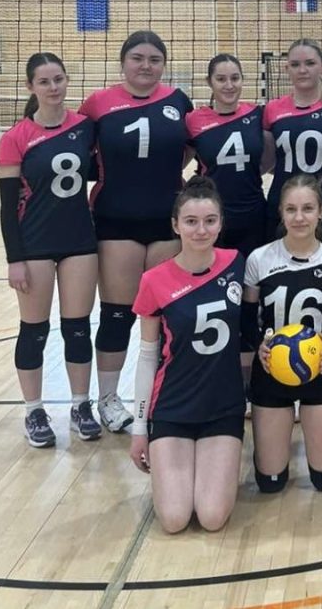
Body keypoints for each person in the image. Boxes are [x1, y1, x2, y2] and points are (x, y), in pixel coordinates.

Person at [79, 31, 193, 432]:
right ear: (123, 62)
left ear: (164, 64)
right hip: (115, 221)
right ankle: (109, 400)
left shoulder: (178, 100)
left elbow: (191, 147)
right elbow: (76, 150)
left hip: (167, 221)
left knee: (164, 317)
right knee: (117, 314)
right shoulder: (98, 103)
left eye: (154, 59)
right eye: (138, 58)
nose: (146, 66)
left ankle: (160, 397)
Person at [0, 52, 101, 447]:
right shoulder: (16, 138)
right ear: (31, 87)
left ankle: (80, 405)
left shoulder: (85, 128)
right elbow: (7, 207)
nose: (53, 87)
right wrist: (14, 259)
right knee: (34, 330)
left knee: (78, 328)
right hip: (35, 244)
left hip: (79, 241)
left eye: (58, 79)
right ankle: (34, 410)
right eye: (44, 81)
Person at [129, 177, 245, 533]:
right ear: (176, 225)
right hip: (173, 407)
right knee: (174, 519)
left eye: (210, 221)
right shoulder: (154, 280)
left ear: (221, 223)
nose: (201, 230)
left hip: (222, 407)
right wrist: (139, 429)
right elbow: (147, 357)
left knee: (211, 517)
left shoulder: (237, 263)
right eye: (191, 221)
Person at [243, 174, 322, 493]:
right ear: (280, 212)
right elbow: (246, 320)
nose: (299, 217)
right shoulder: (259, 259)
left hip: (318, 371)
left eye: (307, 208)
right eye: (291, 209)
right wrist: (259, 346)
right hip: (270, 372)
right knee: (270, 483)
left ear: (321, 212)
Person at [263, 39, 322, 253]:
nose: (302, 70)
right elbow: (269, 161)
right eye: (295, 65)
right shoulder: (272, 109)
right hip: (284, 207)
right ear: (286, 69)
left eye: (310, 63)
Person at [186, 54, 268, 258]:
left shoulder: (257, 114)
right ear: (209, 82)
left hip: (254, 213)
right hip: (212, 216)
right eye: (221, 79)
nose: (229, 85)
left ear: (242, 80)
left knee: (253, 274)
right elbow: (178, 160)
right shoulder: (193, 120)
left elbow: (269, 158)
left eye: (235, 78)